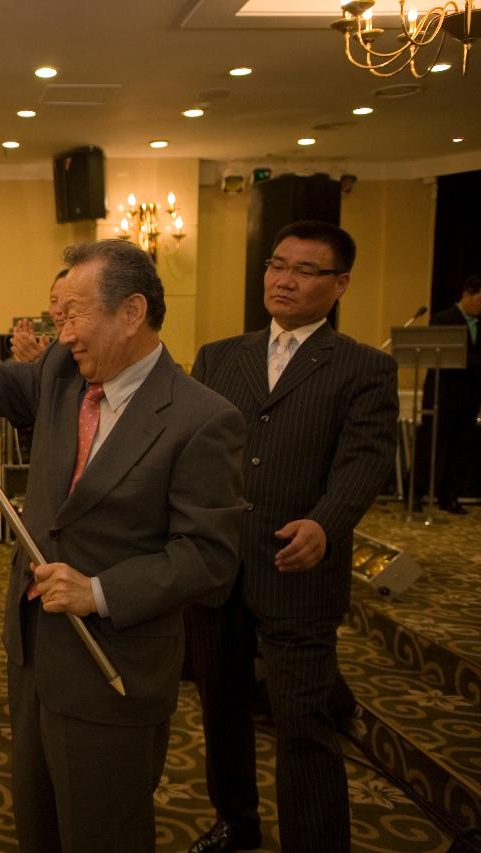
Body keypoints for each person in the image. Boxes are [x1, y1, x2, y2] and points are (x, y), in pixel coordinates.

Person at [0, 240, 246, 851]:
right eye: (56, 316)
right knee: (39, 823)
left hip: (115, 666)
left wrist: (99, 592)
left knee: (105, 830)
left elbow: (210, 559)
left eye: (72, 314)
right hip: (34, 652)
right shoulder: (61, 376)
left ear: (131, 312)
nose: (61, 332)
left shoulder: (202, 418)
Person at [184, 221, 399, 853]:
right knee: (222, 710)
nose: (284, 279)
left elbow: (364, 460)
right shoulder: (220, 356)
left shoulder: (364, 367)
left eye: (305, 270)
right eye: (278, 264)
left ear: (339, 285)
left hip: (298, 567)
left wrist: (327, 525)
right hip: (220, 564)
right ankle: (236, 825)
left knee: (303, 720)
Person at [416, 273, 481, 514]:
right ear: (467, 294)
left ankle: (449, 496)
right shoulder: (443, 319)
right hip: (442, 392)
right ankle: (417, 493)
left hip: (470, 395)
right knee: (430, 444)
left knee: (460, 447)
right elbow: (447, 355)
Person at [9, 268, 69, 363]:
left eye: (67, 301)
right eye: (54, 301)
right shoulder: (54, 348)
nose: (58, 310)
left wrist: (46, 363)